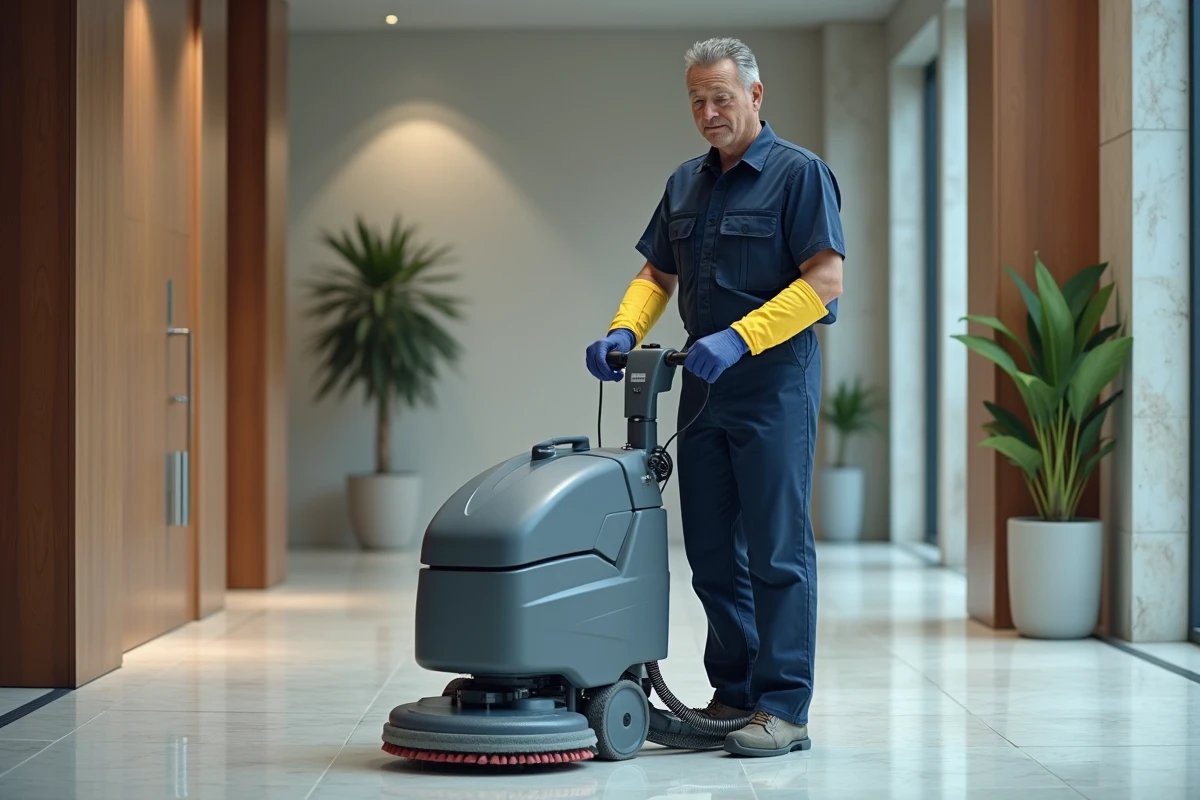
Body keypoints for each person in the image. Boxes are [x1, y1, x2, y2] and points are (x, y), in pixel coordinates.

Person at [585, 37, 845, 758]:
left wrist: (740, 338)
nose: (707, 112)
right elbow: (655, 275)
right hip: (701, 391)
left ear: (755, 97)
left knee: (777, 549)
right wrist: (622, 327)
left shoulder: (799, 176)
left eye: (721, 98)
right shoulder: (685, 183)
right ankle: (733, 695)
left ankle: (784, 708)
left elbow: (824, 282)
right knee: (710, 550)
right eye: (697, 100)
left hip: (772, 388)